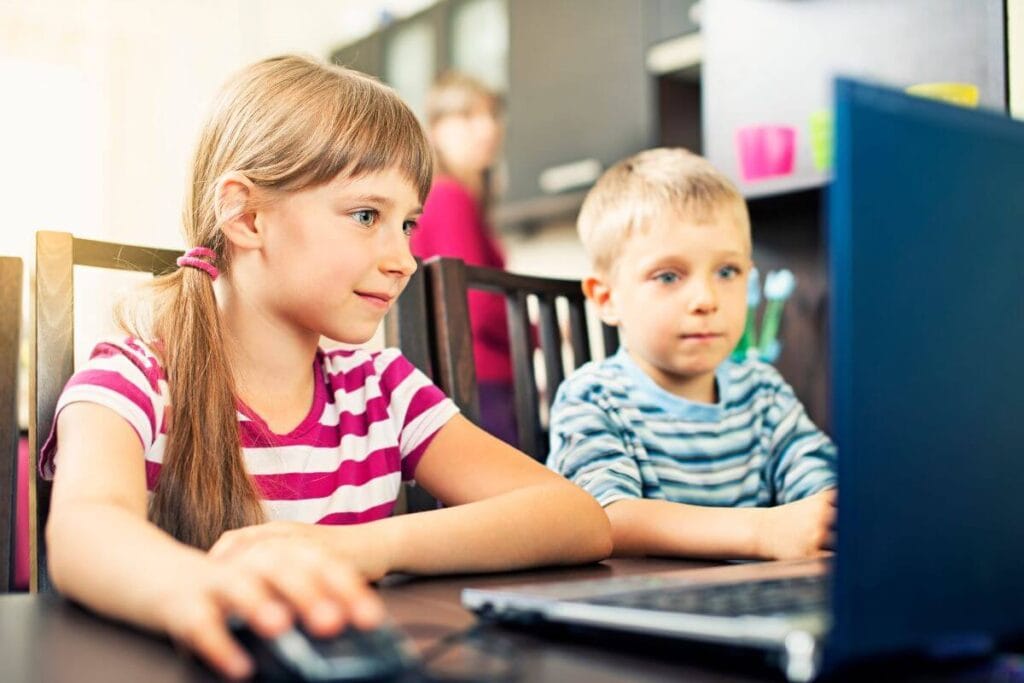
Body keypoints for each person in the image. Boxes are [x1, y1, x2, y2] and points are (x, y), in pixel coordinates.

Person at [41, 56, 611, 680]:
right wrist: (198, 592)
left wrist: (362, 547)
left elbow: (576, 518)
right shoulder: (133, 382)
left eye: (409, 225)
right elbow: (83, 530)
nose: (404, 259)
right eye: (367, 215)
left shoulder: (383, 389)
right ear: (248, 216)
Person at [547, 148, 836, 561]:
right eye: (668, 276)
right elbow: (602, 519)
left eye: (726, 272)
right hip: (639, 610)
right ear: (606, 297)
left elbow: (821, 490)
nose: (706, 299)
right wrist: (761, 532)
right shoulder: (593, 397)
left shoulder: (763, 392)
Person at [410, 72, 517, 446]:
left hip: (469, 379)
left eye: (492, 115)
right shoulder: (450, 196)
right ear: (437, 129)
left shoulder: (447, 196)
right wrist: (534, 331)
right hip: (479, 381)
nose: (488, 128)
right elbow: (477, 304)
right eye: (469, 116)